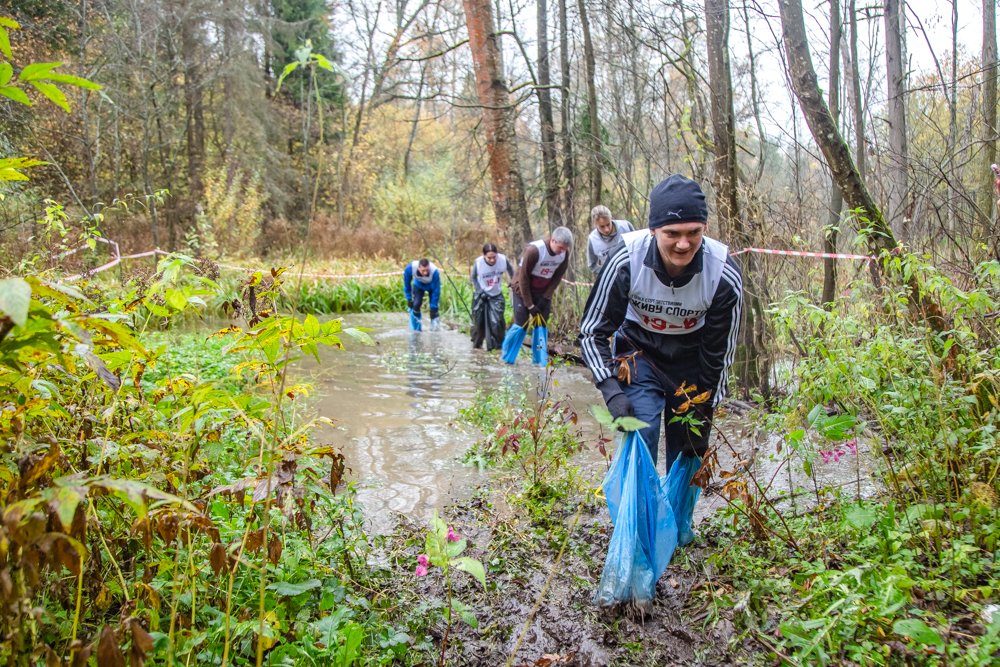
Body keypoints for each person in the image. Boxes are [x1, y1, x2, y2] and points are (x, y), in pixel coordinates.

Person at [579, 174, 742, 534]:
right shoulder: (625, 259)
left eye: (693, 233)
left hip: (692, 362)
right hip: (640, 355)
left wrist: (708, 406)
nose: (683, 244)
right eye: (672, 234)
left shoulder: (722, 273)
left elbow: (721, 352)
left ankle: (679, 528)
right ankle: (640, 532)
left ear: (704, 229)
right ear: (654, 230)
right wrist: (612, 393)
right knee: (644, 432)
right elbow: (592, 332)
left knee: (687, 449)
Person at [509, 226, 573, 329]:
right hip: (522, 289)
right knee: (522, 325)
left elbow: (557, 278)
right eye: (560, 247)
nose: (562, 251)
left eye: (565, 249)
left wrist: (546, 297)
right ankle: (510, 345)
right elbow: (523, 279)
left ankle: (539, 345)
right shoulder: (534, 251)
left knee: (540, 325)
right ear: (553, 240)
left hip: (541, 291)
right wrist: (530, 305)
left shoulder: (564, 254)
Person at [470, 243, 513, 350]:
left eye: (494, 257)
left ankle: (496, 347)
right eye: (489, 258)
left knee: (497, 321)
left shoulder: (503, 260)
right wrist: (480, 291)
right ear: (484, 256)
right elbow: (473, 277)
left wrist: (513, 281)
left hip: (496, 295)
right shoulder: (479, 263)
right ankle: (477, 344)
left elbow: (511, 270)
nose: (492, 260)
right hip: (481, 294)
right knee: (478, 322)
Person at [586, 205, 635, 274]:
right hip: (615, 277)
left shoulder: (625, 227)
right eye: (602, 226)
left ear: (610, 218)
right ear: (594, 224)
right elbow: (592, 265)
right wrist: (607, 272)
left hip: (633, 269)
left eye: (608, 224)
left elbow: (638, 248)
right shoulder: (593, 240)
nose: (606, 229)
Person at [403, 258, 441, 331]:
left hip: (431, 286)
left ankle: (434, 329)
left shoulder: (434, 271)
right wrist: (409, 297)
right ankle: (416, 329)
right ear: (418, 268)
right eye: (423, 270)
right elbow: (407, 282)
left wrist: (433, 305)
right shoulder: (410, 268)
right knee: (416, 305)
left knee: (434, 310)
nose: (425, 273)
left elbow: (436, 291)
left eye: (427, 270)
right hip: (418, 285)